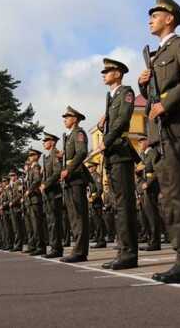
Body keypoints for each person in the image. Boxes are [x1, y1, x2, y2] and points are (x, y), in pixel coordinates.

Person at [138, 0, 180, 284]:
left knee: (179, 197)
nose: (150, 19)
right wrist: (144, 86)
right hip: (162, 134)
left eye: (156, 14)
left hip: (177, 130)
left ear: (169, 18)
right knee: (171, 198)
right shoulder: (158, 55)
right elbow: (153, 98)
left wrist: (167, 103)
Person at [97, 58, 139, 270]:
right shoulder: (111, 97)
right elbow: (113, 119)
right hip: (112, 154)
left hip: (121, 153)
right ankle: (123, 249)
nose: (103, 74)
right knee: (117, 205)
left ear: (118, 73)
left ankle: (129, 253)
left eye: (107, 71)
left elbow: (122, 120)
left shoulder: (126, 93)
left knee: (124, 205)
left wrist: (106, 140)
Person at [59, 106, 91, 263]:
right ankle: (79, 250)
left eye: (67, 116)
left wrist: (69, 169)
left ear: (75, 119)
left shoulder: (78, 133)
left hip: (76, 177)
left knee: (78, 216)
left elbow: (82, 152)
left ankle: (79, 251)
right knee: (73, 216)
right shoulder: (69, 136)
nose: (64, 119)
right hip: (70, 178)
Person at [40, 132, 65, 258]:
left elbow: (57, 172)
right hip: (48, 193)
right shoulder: (47, 157)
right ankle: (54, 247)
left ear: (53, 142)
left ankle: (56, 248)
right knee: (51, 221)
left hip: (54, 191)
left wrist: (46, 184)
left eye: (46, 140)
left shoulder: (55, 154)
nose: (44, 143)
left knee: (54, 221)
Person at [137, 135, 162, 251]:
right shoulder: (144, 156)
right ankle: (151, 240)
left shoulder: (152, 153)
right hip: (145, 188)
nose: (140, 145)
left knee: (152, 215)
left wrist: (149, 182)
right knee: (148, 215)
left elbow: (157, 170)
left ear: (147, 141)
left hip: (152, 187)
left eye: (141, 142)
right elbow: (142, 171)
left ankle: (155, 242)